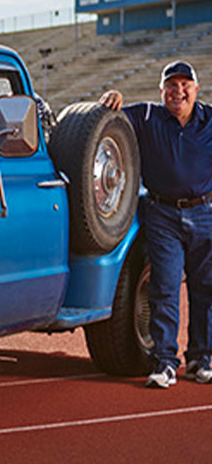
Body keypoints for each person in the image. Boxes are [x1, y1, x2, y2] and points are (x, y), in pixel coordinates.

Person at [99, 60, 212, 389]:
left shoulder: (209, 119)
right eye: (171, 85)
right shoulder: (145, 116)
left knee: (205, 289)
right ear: (161, 90)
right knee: (164, 288)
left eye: (184, 85)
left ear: (196, 89)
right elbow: (108, 120)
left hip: (205, 211)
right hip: (162, 214)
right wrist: (112, 96)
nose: (178, 91)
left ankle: (200, 359)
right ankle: (165, 362)